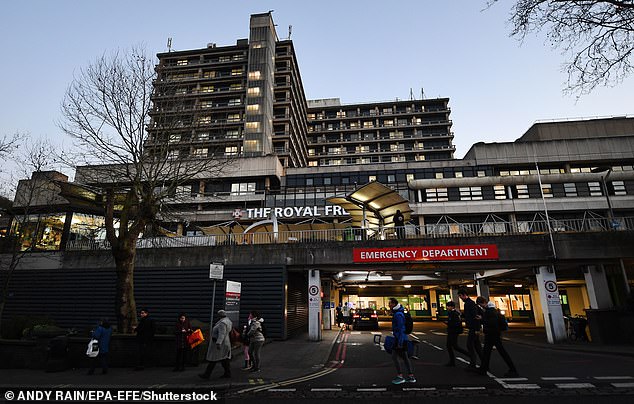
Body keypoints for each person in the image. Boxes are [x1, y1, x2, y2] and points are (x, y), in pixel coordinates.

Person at [476, 297, 519, 377]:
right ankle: (483, 369)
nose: (481, 307)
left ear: (484, 303)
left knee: (497, 352)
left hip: (492, 334)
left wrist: (483, 319)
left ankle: (513, 370)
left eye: (481, 305)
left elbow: (491, 323)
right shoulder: (492, 310)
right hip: (494, 334)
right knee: (488, 352)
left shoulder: (490, 311)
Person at [388, 297, 416, 384]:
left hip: (400, 339)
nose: (388, 305)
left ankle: (400, 376)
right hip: (402, 338)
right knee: (404, 357)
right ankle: (411, 376)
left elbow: (400, 328)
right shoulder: (398, 312)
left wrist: (399, 341)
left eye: (389, 303)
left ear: (393, 304)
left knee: (394, 356)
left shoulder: (398, 314)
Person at [198, 310, 233, 380]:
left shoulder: (222, 323)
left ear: (220, 315)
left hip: (220, 344)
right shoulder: (228, 321)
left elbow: (222, 334)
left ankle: (207, 374)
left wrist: (218, 343)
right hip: (225, 342)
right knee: (224, 359)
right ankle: (227, 373)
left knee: (213, 359)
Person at [457, 289, 483, 370]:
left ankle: (473, 364)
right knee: (477, 346)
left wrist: (476, 329)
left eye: (460, 296)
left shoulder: (470, 304)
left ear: (464, 295)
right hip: (474, 327)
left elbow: (475, 316)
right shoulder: (469, 303)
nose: (460, 298)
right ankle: (484, 364)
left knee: (470, 345)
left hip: (473, 328)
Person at [445, 301, 469, 367]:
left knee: (454, 346)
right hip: (453, 331)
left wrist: (448, 323)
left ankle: (468, 354)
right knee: (450, 346)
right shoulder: (455, 313)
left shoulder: (454, 314)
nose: (447, 307)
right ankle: (452, 361)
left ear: (452, 306)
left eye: (448, 306)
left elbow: (455, 323)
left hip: (453, 331)